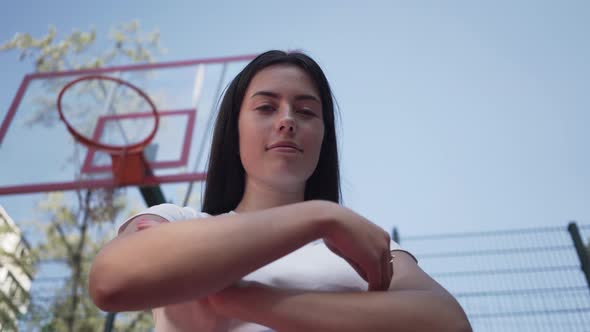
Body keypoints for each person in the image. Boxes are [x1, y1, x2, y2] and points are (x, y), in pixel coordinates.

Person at [89, 50, 472, 331]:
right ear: (234, 129)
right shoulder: (181, 219)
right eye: (266, 108)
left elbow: (449, 323)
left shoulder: (369, 248)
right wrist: (319, 216)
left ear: (324, 137)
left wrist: (240, 299)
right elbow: (111, 280)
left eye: (306, 111)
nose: (287, 120)